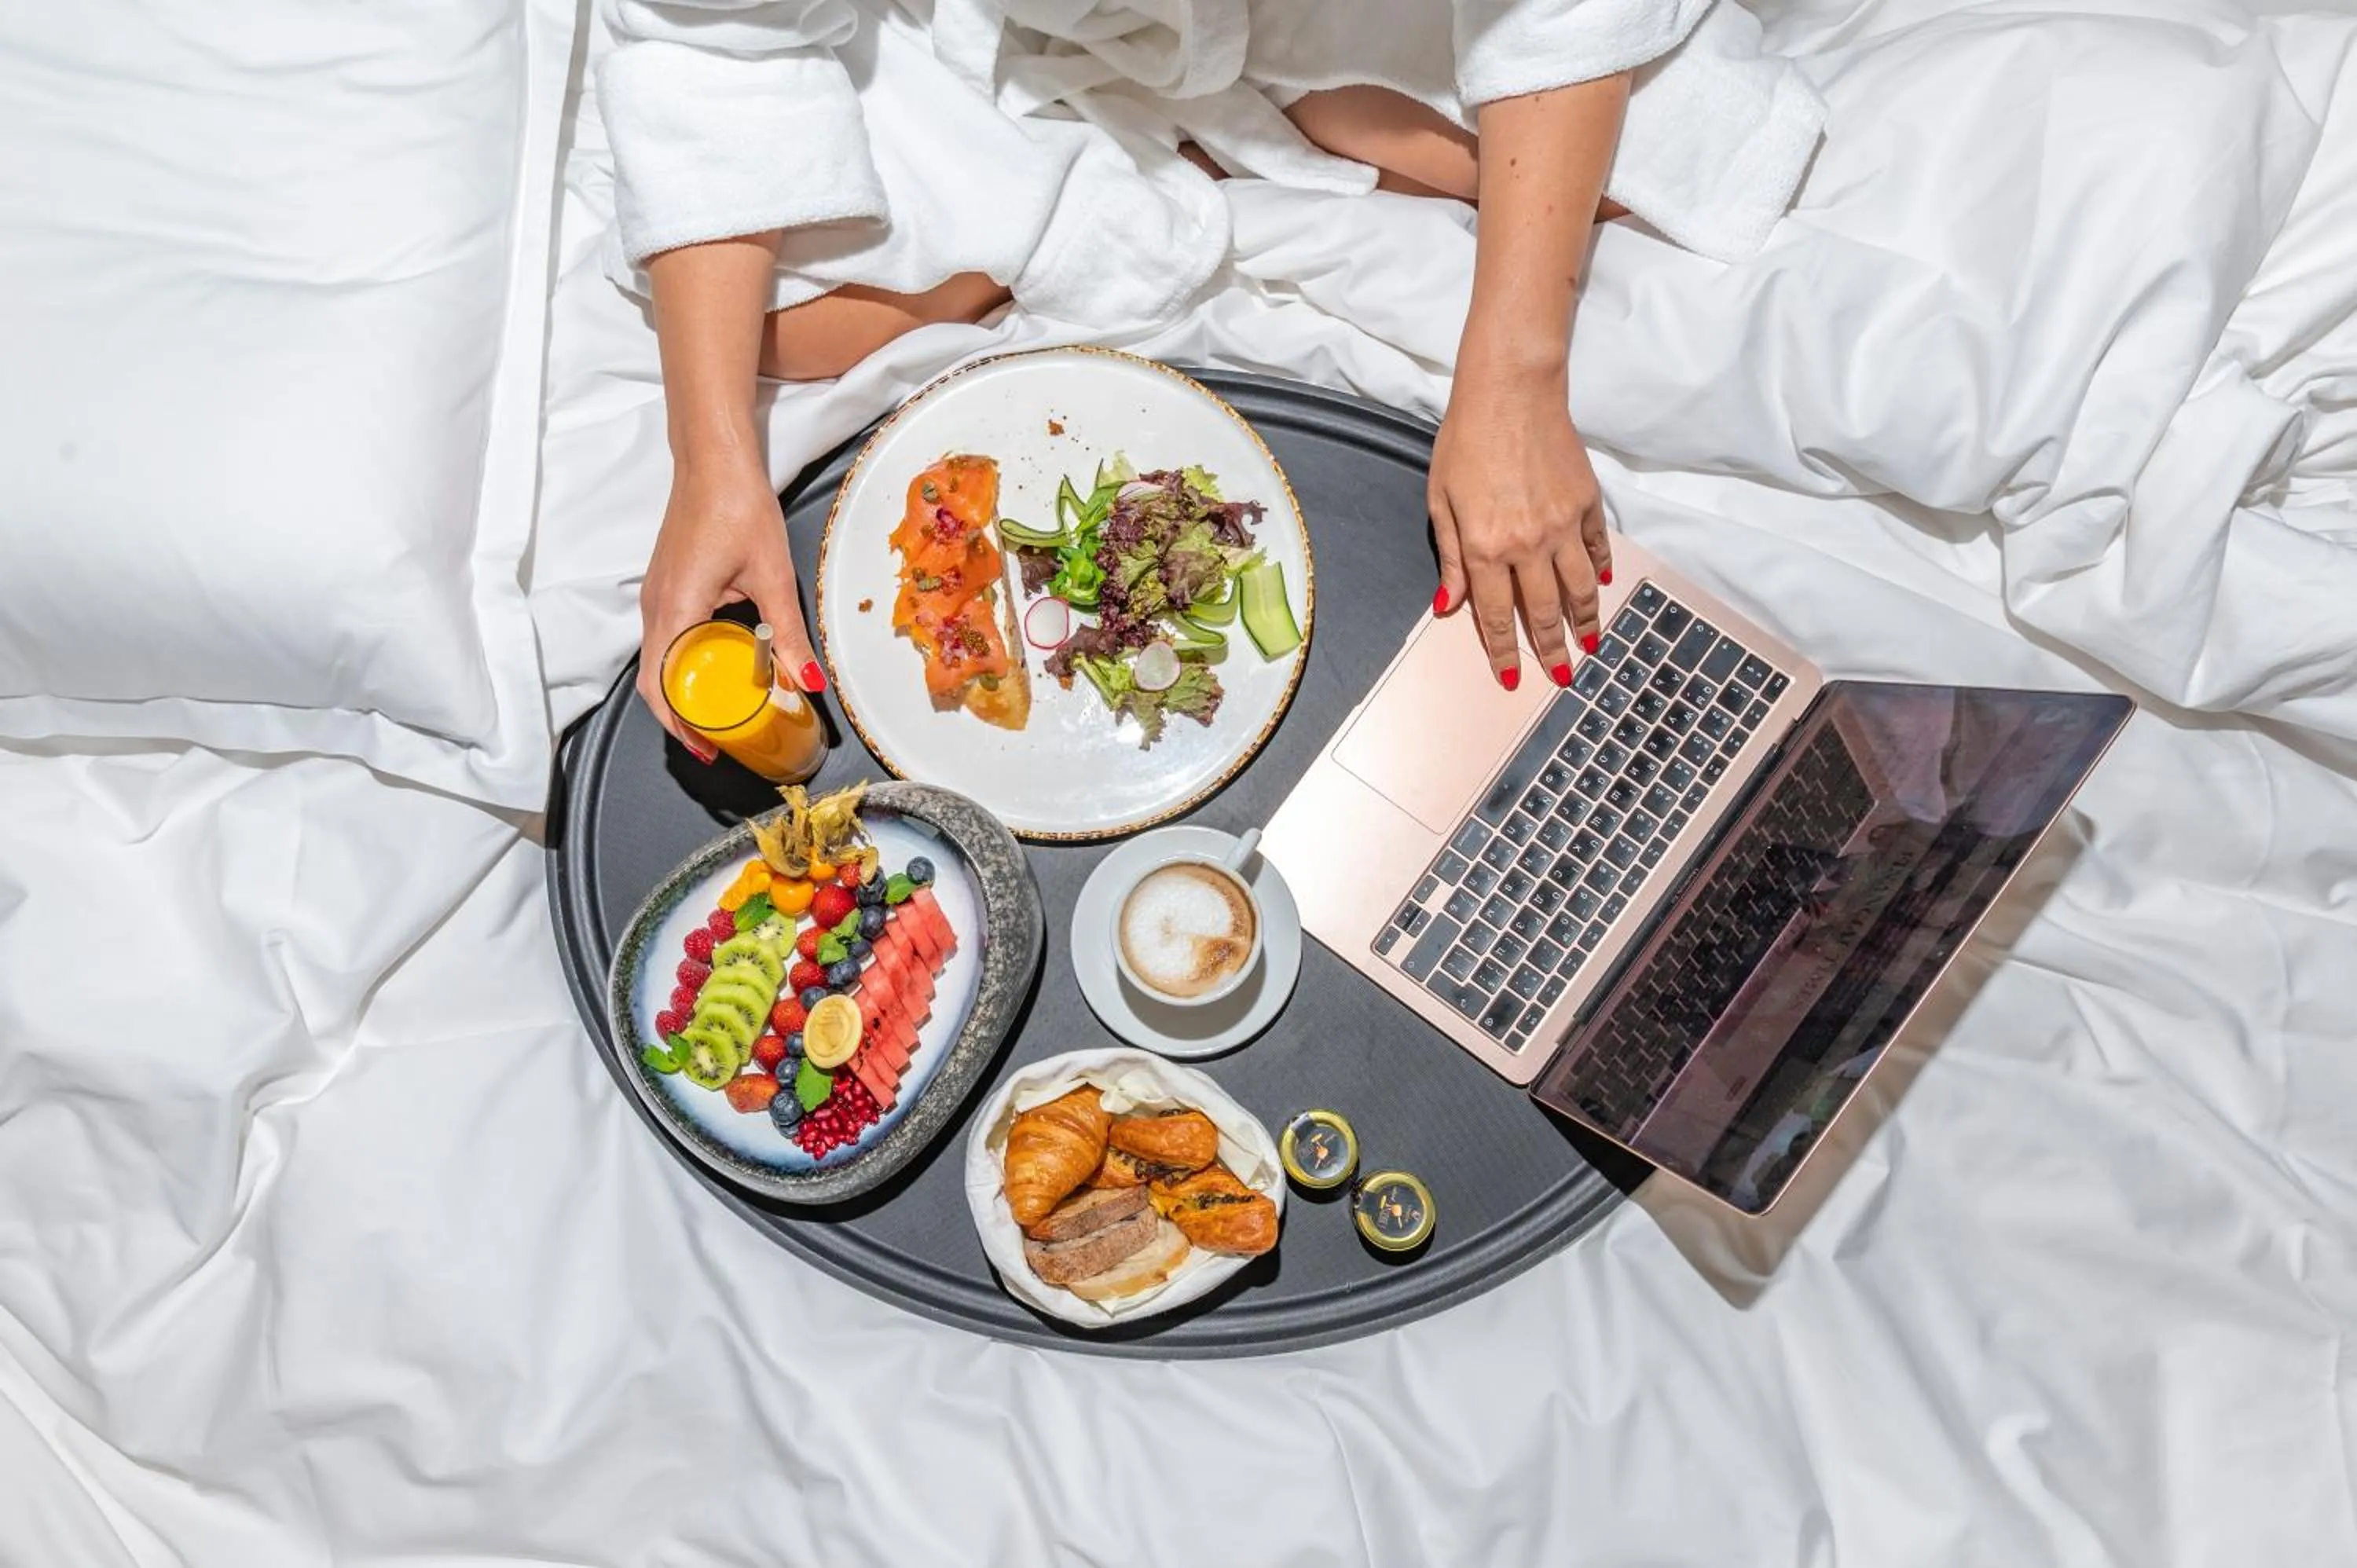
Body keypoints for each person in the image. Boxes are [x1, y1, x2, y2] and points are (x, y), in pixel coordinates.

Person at [607, 0, 1822, 753]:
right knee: (779, 327)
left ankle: (1255, 134)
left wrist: (1512, 381)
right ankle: (1139, 169)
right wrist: (710, 464)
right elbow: (717, 49)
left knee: (1646, 177)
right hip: (1013, 37)